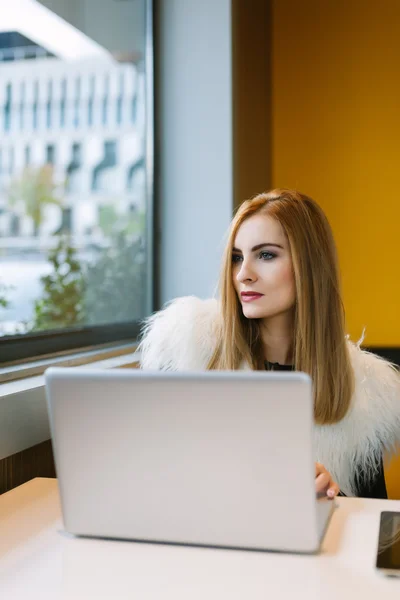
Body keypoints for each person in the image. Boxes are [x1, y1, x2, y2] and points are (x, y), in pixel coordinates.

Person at [139, 189, 400, 498]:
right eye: (237, 258)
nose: (243, 275)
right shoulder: (190, 351)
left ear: (309, 265)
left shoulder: (366, 394)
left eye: (265, 255)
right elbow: (155, 476)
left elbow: (373, 533)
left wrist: (330, 494)